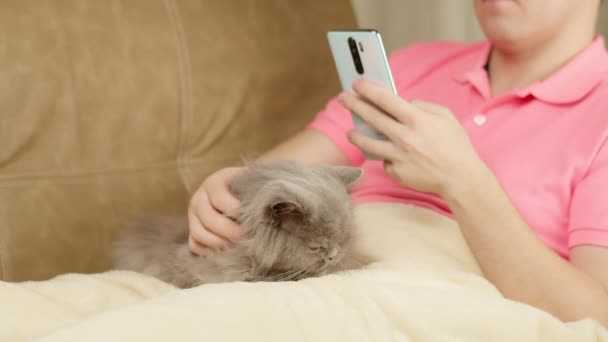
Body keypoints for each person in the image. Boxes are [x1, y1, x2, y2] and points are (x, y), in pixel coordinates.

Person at [187, 0, 608, 324]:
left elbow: (594, 314)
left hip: (413, 300)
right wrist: (226, 191)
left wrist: (465, 183)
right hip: (320, 276)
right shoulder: (413, 65)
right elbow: (275, 176)